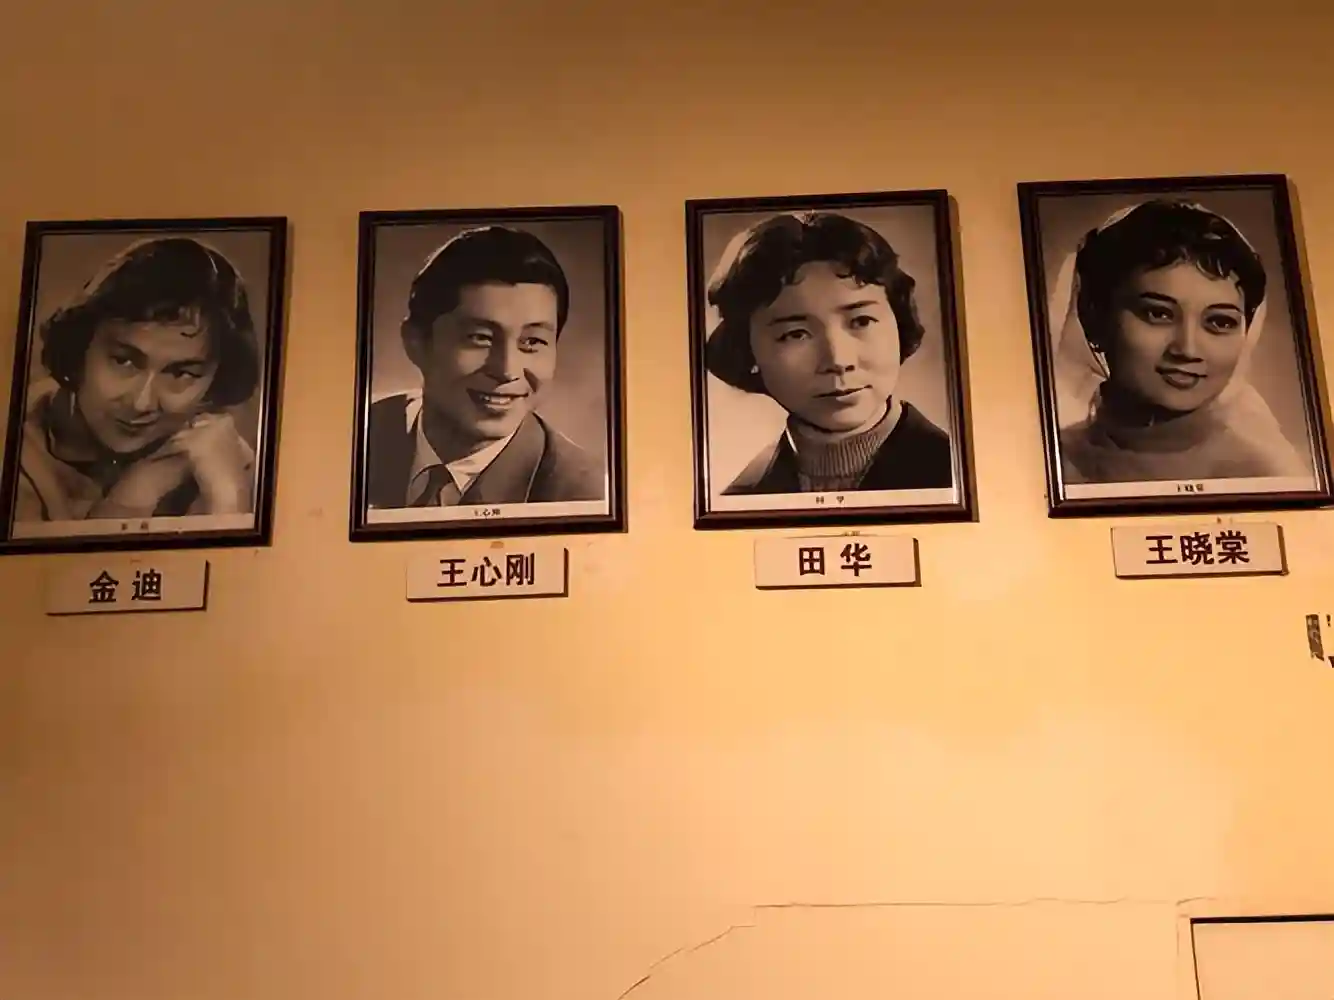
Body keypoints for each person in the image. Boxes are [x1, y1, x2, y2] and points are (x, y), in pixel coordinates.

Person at [1052, 199, 1309, 484]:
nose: (1187, 349)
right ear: (1093, 317)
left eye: (1220, 322)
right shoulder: (1047, 463)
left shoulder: (1268, 474)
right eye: (1158, 314)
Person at [703, 211, 953, 495]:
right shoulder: (741, 498)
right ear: (748, 350)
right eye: (795, 334)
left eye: (861, 321)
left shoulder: (961, 474)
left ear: (898, 321)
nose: (838, 361)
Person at [14, 236, 261, 523]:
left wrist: (228, 498)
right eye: (124, 361)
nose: (141, 403)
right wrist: (136, 494)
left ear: (216, 379)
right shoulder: (15, 448)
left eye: (181, 373)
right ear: (80, 348)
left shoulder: (222, 457)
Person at [365, 225, 603, 508]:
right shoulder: (355, 438)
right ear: (416, 343)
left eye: (532, 341)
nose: (507, 371)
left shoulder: (585, 494)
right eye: (480, 338)